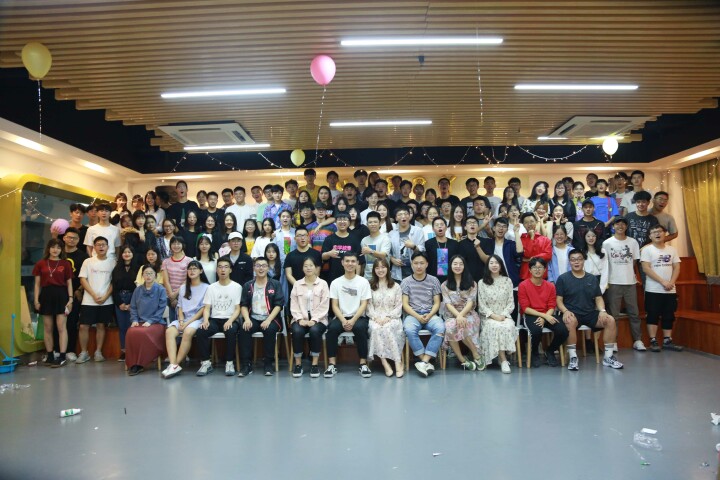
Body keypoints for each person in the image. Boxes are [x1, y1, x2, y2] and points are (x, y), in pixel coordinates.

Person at [556, 250, 624, 371]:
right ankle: (573, 357)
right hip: (572, 313)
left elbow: (598, 298)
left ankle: (608, 357)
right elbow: (559, 300)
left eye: (579, 259)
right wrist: (565, 311)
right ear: (569, 262)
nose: (576, 262)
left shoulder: (592, 278)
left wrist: (602, 310)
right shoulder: (563, 278)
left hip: (590, 313)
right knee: (569, 321)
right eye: (573, 259)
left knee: (610, 320)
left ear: (583, 261)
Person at [324, 253, 373, 378]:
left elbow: (364, 304)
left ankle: (363, 364)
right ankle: (332, 364)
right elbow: (334, 305)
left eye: (353, 261)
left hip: (359, 317)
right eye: (347, 261)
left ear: (357, 263)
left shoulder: (363, 282)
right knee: (332, 329)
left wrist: (353, 320)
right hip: (341, 316)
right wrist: (343, 320)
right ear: (342, 263)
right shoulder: (336, 283)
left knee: (360, 328)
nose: (350, 264)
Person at [601, 217, 644, 350]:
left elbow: (634, 261)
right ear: (613, 226)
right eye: (617, 224)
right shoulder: (607, 243)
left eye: (623, 224)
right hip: (613, 282)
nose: (620, 226)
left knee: (634, 313)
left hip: (630, 282)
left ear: (626, 226)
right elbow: (604, 263)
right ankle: (613, 342)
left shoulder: (633, 242)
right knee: (613, 315)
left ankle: (638, 340)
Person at [237, 257, 285, 377]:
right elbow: (243, 305)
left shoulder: (275, 284)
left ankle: (268, 364)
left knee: (269, 329)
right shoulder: (248, 285)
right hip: (253, 317)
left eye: (264, 265)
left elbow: (279, 305)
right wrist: (247, 319)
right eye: (258, 265)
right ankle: (246, 365)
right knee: (244, 329)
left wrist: (268, 320)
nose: (261, 268)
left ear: (268, 268)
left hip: (271, 318)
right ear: (254, 268)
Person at [195, 257, 243, 376]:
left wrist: (230, 320)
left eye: (226, 267)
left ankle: (229, 362)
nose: (223, 270)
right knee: (201, 331)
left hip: (231, 319)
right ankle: (206, 363)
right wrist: (205, 320)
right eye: (220, 267)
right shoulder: (211, 287)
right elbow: (207, 308)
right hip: (215, 319)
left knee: (231, 331)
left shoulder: (237, 287)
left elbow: (238, 309)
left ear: (230, 270)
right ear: (216, 270)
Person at [163, 260, 210, 378]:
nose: (192, 271)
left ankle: (175, 364)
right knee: (169, 331)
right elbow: (180, 306)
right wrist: (181, 321)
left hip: (197, 319)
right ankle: (173, 364)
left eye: (195, 269)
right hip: (183, 319)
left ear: (201, 271)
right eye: (190, 269)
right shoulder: (183, 287)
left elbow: (203, 309)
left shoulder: (207, 287)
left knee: (188, 332)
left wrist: (187, 322)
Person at [519, 257, 568, 368]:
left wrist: (545, 317)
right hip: (531, 315)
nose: (537, 270)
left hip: (547, 314)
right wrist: (543, 316)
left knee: (563, 330)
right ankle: (534, 353)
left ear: (545, 269)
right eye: (534, 267)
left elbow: (552, 305)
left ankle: (550, 351)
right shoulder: (523, 285)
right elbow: (525, 308)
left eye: (540, 267)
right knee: (536, 331)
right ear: (530, 270)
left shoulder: (550, 286)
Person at [641, 224, 683, 352]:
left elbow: (677, 267)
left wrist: (671, 282)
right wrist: (663, 282)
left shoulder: (672, 250)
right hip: (653, 289)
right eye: (654, 232)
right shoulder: (647, 250)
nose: (657, 234)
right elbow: (646, 268)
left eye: (659, 231)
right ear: (650, 236)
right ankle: (653, 340)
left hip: (670, 289)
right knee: (652, 314)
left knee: (669, 314)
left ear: (665, 234)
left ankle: (667, 341)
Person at [401, 251, 444, 377]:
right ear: (411, 264)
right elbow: (405, 304)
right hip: (413, 315)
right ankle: (425, 361)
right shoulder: (406, 282)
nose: (419, 266)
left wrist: (429, 315)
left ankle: (424, 361)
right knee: (409, 330)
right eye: (416, 263)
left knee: (440, 328)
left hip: (430, 314)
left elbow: (437, 302)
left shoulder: (434, 280)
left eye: (421, 263)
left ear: (427, 264)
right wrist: (417, 316)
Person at [33, 239, 74, 367]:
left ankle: (62, 356)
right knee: (47, 327)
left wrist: (70, 299)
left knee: (61, 327)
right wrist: (36, 300)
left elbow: (69, 283)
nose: (55, 250)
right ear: (48, 248)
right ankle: (50, 355)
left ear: (61, 250)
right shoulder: (40, 263)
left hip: (61, 295)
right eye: (53, 247)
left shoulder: (65, 264)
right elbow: (37, 284)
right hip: (46, 295)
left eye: (58, 248)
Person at [77, 236, 116, 364]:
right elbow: (83, 279)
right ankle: (84, 352)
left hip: (106, 300)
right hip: (89, 300)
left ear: (108, 247)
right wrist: (93, 295)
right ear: (94, 247)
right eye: (98, 244)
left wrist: (105, 296)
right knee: (83, 326)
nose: (101, 247)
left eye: (103, 244)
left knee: (101, 325)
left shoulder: (113, 262)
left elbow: (114, 282)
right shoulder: (88, 262)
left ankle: (98, 352)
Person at [477, 254, 520, 372]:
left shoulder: (507, 281)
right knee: (495, 327)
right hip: (489, 317)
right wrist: (494, 316)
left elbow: (511, 302)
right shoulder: (482, 282)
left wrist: (503, 315)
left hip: (504, 316)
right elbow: (481, 305)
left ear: (501, 265)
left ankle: (501, 358)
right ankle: (503, 360)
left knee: (508, 326)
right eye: (491, 263)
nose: (494, 265)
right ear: (487, 265)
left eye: (497, 263)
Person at [441, 255, 484, 371]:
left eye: (460, 264)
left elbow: (470, 302)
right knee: (450, 326)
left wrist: (461, 316)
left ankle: (475, 353)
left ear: (464, 266)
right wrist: (458, 316)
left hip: (469, 313)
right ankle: (462, 359)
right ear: (450, 266)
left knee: (463, 324)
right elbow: (448, 304)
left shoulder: (472, 283)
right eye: (455, 264)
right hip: (451, 314)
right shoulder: (444, 285)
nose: (458, 266)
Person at [289, 257, 329, 378]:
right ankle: (298, 364)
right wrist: (299, 319)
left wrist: (314, 320)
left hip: (319, 319)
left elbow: (325, 305)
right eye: (306, 266)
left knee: (315, 330)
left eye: (311, 265)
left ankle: (314, 364)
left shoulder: (323, 284)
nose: (308, 268)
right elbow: (293, 304)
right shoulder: (297, 284)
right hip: (300, 319)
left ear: (316, 268)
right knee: (297, 331)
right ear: (302, 268)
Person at [125, 264, 167, 376]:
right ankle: (133, 363)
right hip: (139, 321)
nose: (148, 276)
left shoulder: (161, 289)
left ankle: (140, 364)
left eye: (151, 273)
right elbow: (133, 307)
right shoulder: (137, 290)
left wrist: (151, 321)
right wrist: (134, 319)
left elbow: (161, 309)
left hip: (156, 323)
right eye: (146, 273)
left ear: (155, 275)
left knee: (143, 332)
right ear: (142, 275)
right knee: (131, 332)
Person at [367, 258, 405, 377]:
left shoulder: (396, 286)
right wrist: (376, 317)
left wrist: (389, 316)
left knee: (388, 328)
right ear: (374, 270)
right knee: (376, 329)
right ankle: (385, 363)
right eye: (377, 268)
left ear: (388, 269)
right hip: (375, 317)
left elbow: (399, 305)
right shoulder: (370, 286)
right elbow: (368, 306)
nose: (380, 270)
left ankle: (398, 361)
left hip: (392, 317)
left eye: (383, 267)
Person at [61, 227, 89, 362]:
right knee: (57, 323)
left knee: (71, 322)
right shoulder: (58, 253)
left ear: (78, 240)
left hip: (75, 293)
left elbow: (85, 276)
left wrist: (79, 290)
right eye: (69, 237)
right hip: (59, 292)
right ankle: (57, 350)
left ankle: (70, 350)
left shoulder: (83, 256)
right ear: (64, 238)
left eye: (74, 238)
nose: (71, 240)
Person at [111, 244, 139, 362]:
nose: (127, 254)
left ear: (133, 254)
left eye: (129, 252)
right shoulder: (116, 269)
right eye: (124, 252)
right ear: (121, 254)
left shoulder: (138, 268)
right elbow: (114, 288)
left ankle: (135, 351)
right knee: (122, 327)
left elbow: (139, 287)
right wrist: (120, 303)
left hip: (134, 298)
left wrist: (132, 304)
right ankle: (124, 351)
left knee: (134, 326)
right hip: (120, 299)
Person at [321, 212, 363, 283]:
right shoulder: (329, 239)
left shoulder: (354, 239)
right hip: (333, 277)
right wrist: (329, 254)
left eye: (345, 219)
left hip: (351, 277)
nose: (342, 222)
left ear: (349, 222)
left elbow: (359, 261)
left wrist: (357, 278)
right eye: (340, 219)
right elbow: (323, 257)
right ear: (335, 222)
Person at [162, 236, 192, 324]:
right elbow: (166, 281)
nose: (176, 246)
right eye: (174, 243)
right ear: (170, 246)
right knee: (172, 322)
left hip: (184, 295)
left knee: (184, 322)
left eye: (178, 243)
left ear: (183, 245)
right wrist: (171, 296)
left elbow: (188, 279)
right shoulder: (165, 261)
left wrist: (175, 294)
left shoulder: (189, 261)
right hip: (169, 296)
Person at [284, 226, 323, 293]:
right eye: (299, 236)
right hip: (296, 290)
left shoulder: (316, 254)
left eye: (305, 235)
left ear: (308, 238)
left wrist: (309, 286)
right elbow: (288, 275)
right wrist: (299, 286)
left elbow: (317, 273)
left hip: (313, 289)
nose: (302, 238)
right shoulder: (290, 256)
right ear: (295, 238)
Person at [424, 217, 460, 285]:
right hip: (432, 279)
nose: (439, 226)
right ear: (433, 229)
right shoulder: (428, 244)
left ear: (446, 227)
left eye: (442, 224)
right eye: (437, 225)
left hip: (451, 279)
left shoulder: (454, 244)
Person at [519, 213, 552, 280]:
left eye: (532, 221)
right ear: (523, 225)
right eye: (526, 222)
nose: (529, 224)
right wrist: (531, 238)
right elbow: (527, 254)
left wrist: (532, 258)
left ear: (536, 222)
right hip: (526, 275)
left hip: (542, 275)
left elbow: (548, 255)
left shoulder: (545, 239)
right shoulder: (520, 240)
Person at [360, 211, 391, 279]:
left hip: (382, 275)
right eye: (370, 222)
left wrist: (370, 251)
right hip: (368, 276)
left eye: (375, 222)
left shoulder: (385, 238)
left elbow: (383, 255)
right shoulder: (364, 240)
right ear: (367, 224)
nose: (373, 224)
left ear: (379, 224)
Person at [579, 230, 608, 294]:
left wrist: (601, 289)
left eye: (593, 236)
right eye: (588, 236)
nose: (591, 238)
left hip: (599, 281)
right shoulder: (581, 252)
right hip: (585, 282)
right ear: (584, 238)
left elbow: (605, 270)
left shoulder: (602, 251)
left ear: (596, 237)